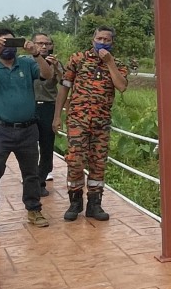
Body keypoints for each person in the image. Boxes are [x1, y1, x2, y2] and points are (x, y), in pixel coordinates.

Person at [53, 25, 131, 222]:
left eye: (107, 40)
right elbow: (64, 88)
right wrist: (57, 116)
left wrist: (110, 63)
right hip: (77, 120)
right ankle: (75, 201)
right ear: (92, 39)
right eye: (99, 38)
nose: (102, 42)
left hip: (101, 122)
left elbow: (121, 86)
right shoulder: (77, 59)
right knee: (75, 160)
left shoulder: (118, 64)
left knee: (98, 163)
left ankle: (94, 204)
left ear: (112, 43)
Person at [0, 28, 52, 232]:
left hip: (28, 129)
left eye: (12, 43)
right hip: (0, 130)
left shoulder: (27, 63)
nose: (7, 47)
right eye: (3, 43)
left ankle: (34, 210)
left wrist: (36, 54)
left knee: (31, 174)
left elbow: (47, 74)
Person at [32, 32, 63, 190]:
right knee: (29, 146)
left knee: (46, 146)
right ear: (33, 44)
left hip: (48, 106)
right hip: (29, 106)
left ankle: (41, 180)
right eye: (40, 43)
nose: (44, 46)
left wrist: (57, 67)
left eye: (47, 43)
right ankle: (31, 178)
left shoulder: (56, 62)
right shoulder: (26, 62)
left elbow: (65, 82)